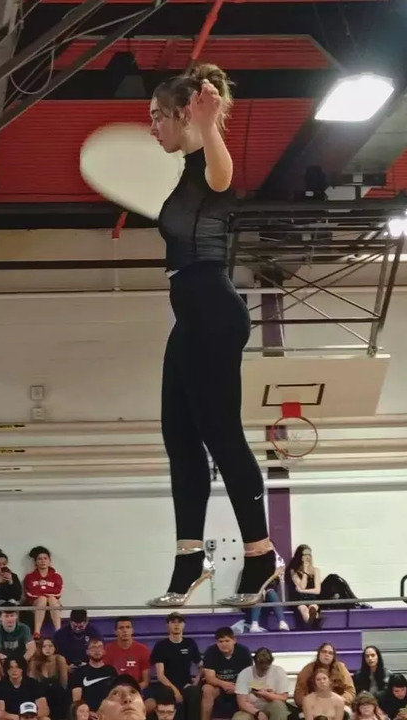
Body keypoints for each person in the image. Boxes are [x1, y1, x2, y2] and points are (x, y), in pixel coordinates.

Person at [142, 63, 280, 609]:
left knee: (221, 434)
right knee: (179, 435)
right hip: (191, 316)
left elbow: (224, 177)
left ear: (184, 114)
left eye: (158, 117)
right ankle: (188, 560)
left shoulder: (207, 165)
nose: (152, 127)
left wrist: (210, 124)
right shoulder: (184, 171)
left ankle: (261, 553)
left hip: (213, 311)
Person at [148, 612, 201, 715]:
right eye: (173, 622)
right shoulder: (161, 645)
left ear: (184, 625)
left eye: (179, 622)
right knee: (165, 693)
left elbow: (201, 666)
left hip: (186, 684)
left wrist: (195, 683)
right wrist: (175, 691)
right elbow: (160, 675)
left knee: (194, 692)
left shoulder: (190, 643)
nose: (176, 625)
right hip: (167, 686)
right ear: (167, 625)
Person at [201, 627, 253, 720]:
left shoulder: (243, 651)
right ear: (216, 642)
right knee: (207, 689)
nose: (224, 644)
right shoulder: (210, 652)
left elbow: (249, 676)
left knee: (257, 686)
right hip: (218, 686)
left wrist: (237, 687)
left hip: (239, 685)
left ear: (234, 640)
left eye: (227, 641)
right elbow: (209, 678)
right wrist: (224, 685)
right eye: (220, 641)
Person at [233, 647, 291, 720]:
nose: (262, 670)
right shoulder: (245, 673)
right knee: (240, 718)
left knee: (279, 706)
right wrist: (258, 713)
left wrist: (266, 695)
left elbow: (283, 698)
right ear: (254, 662)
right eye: (259, 667)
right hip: (250, 709)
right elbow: (242, 703)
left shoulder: (278, 671)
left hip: (270, 706)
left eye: (265, 668)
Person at [292, 643, 354, 707]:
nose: (326, 655)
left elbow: (350, 691)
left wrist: (338, 700)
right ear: (319, 654)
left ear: (333, 656)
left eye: (330, 653)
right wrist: (311, 703)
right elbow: (299, 694)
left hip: (337, 704)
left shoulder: (341, 668)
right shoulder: (308, 669)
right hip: (313, 705)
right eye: (324, 652)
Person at [71, 639, 117, 716]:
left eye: (100, 647)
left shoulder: (111, 671)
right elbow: (77, 701)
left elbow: (116, 695)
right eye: (93, 647)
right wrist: (88, 713)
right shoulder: (79, 672)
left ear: (104, 651)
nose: (97, 650)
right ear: (87, 652)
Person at [25, 546, 65, 635]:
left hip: (52, 603)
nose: (43, 561)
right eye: (39, 559)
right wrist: (46, 593)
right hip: (36, 603)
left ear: (49, 561)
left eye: (45, 558)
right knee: (43, 599)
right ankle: (37, 631)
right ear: (35, 562)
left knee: (52, 599)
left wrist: (43, 592)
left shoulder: (56, 577)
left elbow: (58, 592)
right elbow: (30, 593)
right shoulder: (30, 577)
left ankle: (58, 630)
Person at [30, 636, 70, 720]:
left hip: (58, 696)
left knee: (58, 690)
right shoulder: (34, 662)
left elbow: (64, 684)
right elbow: (32, 683)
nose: (47, 649)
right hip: (42, 697)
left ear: (55, 648)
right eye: (44, 646)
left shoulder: (60, 659)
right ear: (40, 648)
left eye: (50, 646)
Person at [104, 617, 152, 686]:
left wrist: (132, 691)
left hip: (136, 690)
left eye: (128, 627)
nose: (125, 630)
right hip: (115, 690)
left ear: (132, 630)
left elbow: (145, 681)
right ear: (116, 632)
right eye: (121, 628)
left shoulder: (143, 650)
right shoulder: (107, 650)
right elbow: (106, 678)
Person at [287, 546, 324, 629]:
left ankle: (312, 624)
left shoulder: (316, 570)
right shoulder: (293, 571)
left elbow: (317, 591)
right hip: (299, 600)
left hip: (312, 598)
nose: (307, 557)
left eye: (309, 555)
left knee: (313, 608)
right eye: (305, 555)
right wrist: (306, 572)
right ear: (300, 556)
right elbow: (302, 585)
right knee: (304, 610)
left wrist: (302, 591)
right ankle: (315, 625)